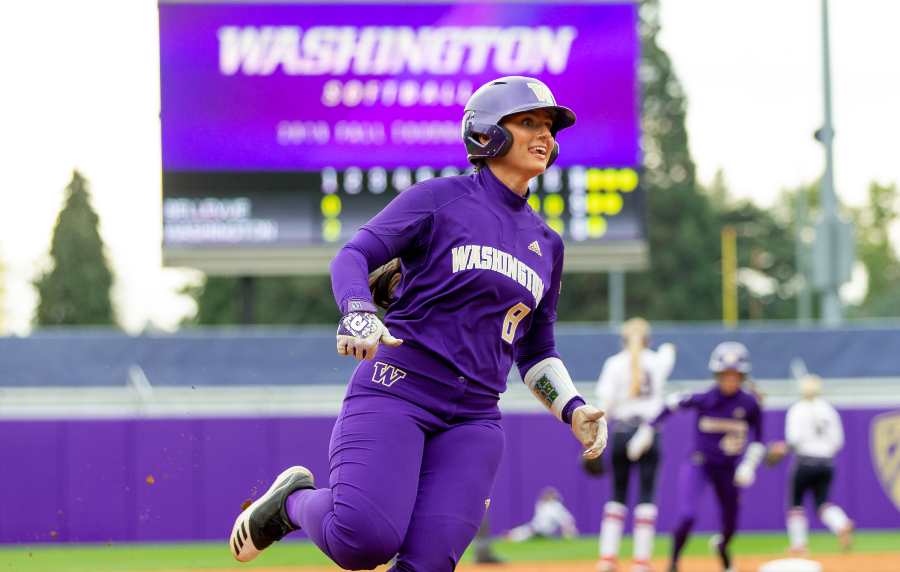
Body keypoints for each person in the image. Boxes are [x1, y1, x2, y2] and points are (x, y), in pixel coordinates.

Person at [228, 76, 609, 572]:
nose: (545, 135)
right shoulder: (440, 199)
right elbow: (354, 255)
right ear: (487, 133)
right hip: (398, 390)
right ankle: (293, 502)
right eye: (528, 121)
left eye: (550, 127)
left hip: (474, 418)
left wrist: (573, 408)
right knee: (362, 542)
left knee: (427, 565)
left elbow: (536, 351)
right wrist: (359, 311)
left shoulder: (547, 244)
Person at [628, 341, 765, 572]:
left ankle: (722, 549)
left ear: (743, 375)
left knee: (731, 525)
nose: (730, 379)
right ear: (717, 374)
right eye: (725, 374)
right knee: (687, 514)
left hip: (729, 469)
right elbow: (670, 404)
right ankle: (673, 562)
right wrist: (647, 429)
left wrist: (749, 465)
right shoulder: (705, 397)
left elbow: (759, 438)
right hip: (700, 463)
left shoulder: (750, 403)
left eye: (735, 374)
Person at [594, 318, 676, 572]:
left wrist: (596, 437)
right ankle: (641, 560)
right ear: (648, 339)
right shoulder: (657, 361)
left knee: (617, 493)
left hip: (622, 431)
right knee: (647, 495)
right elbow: (669, 352)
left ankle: (608, 557)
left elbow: (604, 405)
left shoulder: (614, 363)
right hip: (650, 431)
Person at [776, 374, 853, 554]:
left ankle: (799, 545)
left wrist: (782, 449)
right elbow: (838, 441)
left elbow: (793, 439)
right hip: (827, 461)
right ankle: (841, 523)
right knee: (822, 502)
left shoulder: (797, 409)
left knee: (795, 503)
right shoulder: (828, 410)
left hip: (805, 460)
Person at [504, 486, 578, 542]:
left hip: (546, 530)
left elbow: (566, 520)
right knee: (529, 529)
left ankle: (512, 536)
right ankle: (511, 535)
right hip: (538, 527)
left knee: (530, 530)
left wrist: (569, 534)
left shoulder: (555, 506)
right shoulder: (541, 504)